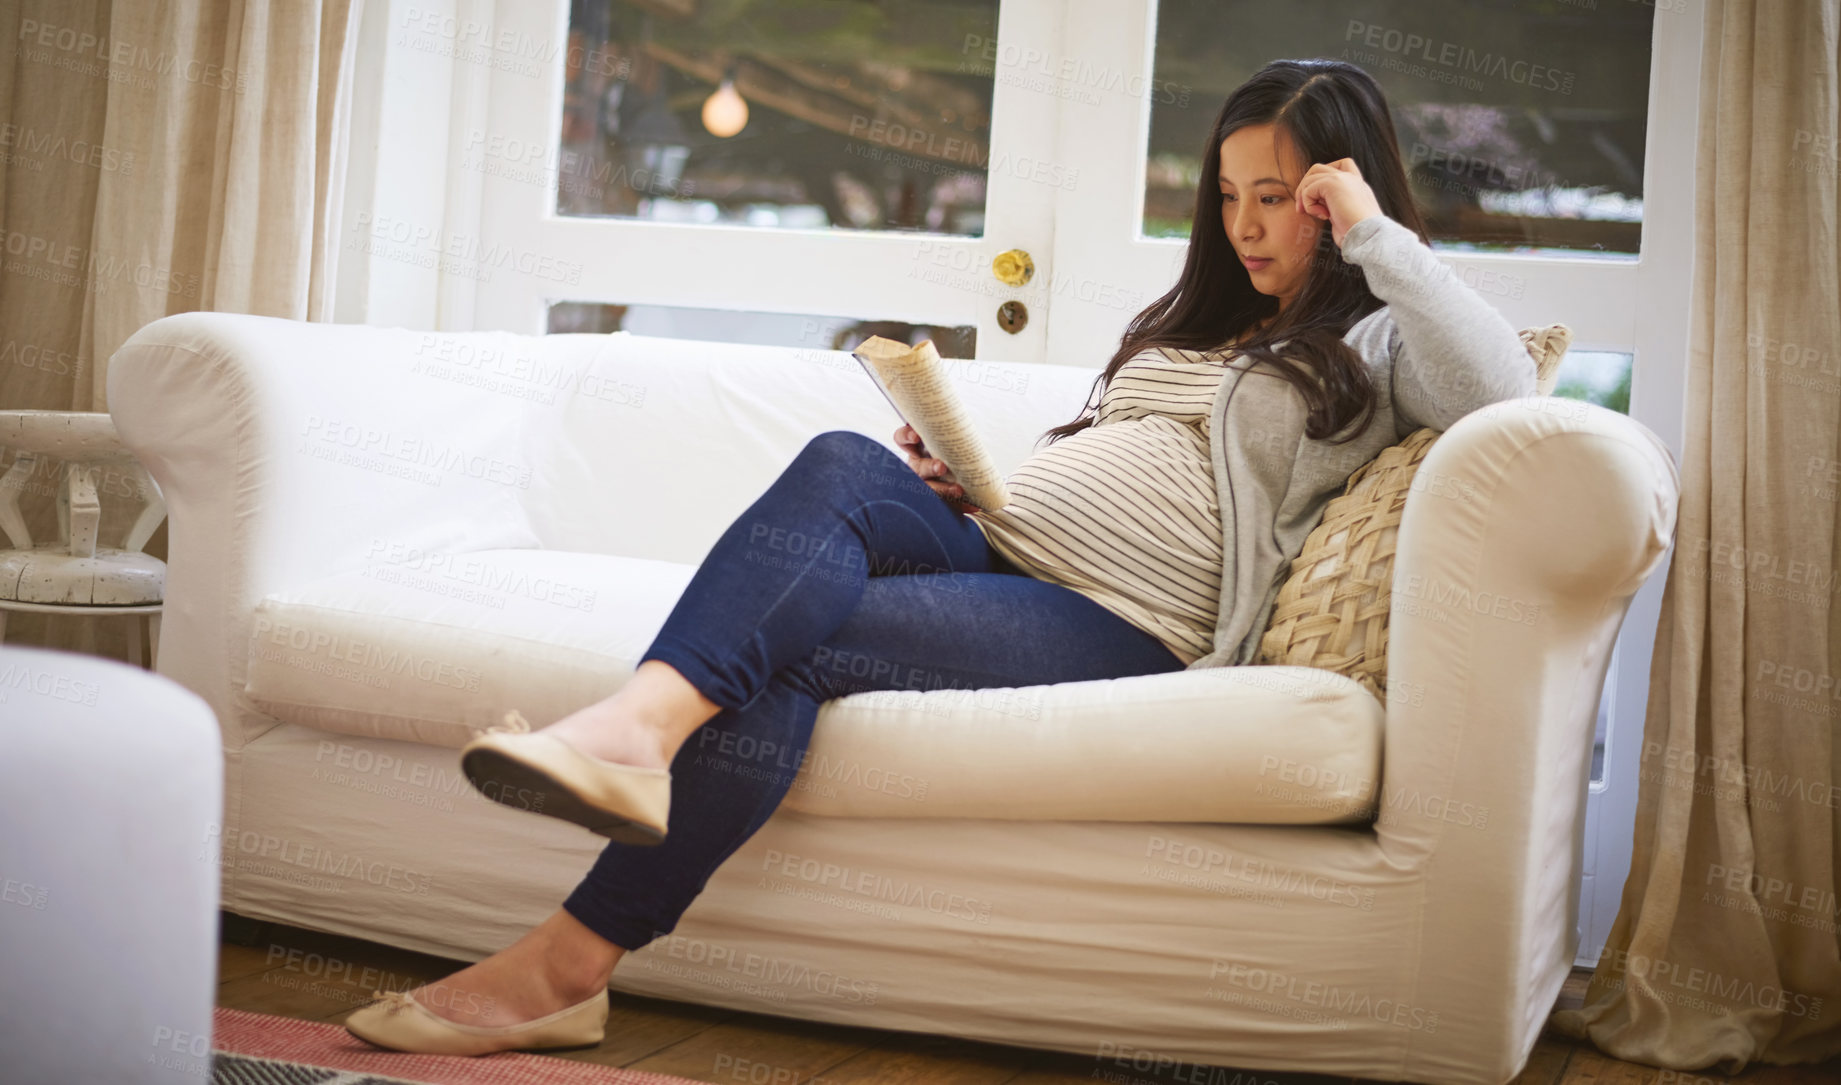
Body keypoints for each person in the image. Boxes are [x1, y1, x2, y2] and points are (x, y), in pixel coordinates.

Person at [344, 57, 1535, 1056]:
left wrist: (1374, 231)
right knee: (843, 459)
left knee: (798, 653)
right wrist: (965, 480)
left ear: (1337, 194)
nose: (1242, 223)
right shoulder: (1193, 317)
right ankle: (633, 736)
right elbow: (1111, 461)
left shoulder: (1376, 337)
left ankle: (563, 962)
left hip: (1123, 618)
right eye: (1226, 193)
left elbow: (1503, 386)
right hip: (1002, 542)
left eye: (1275, 195)